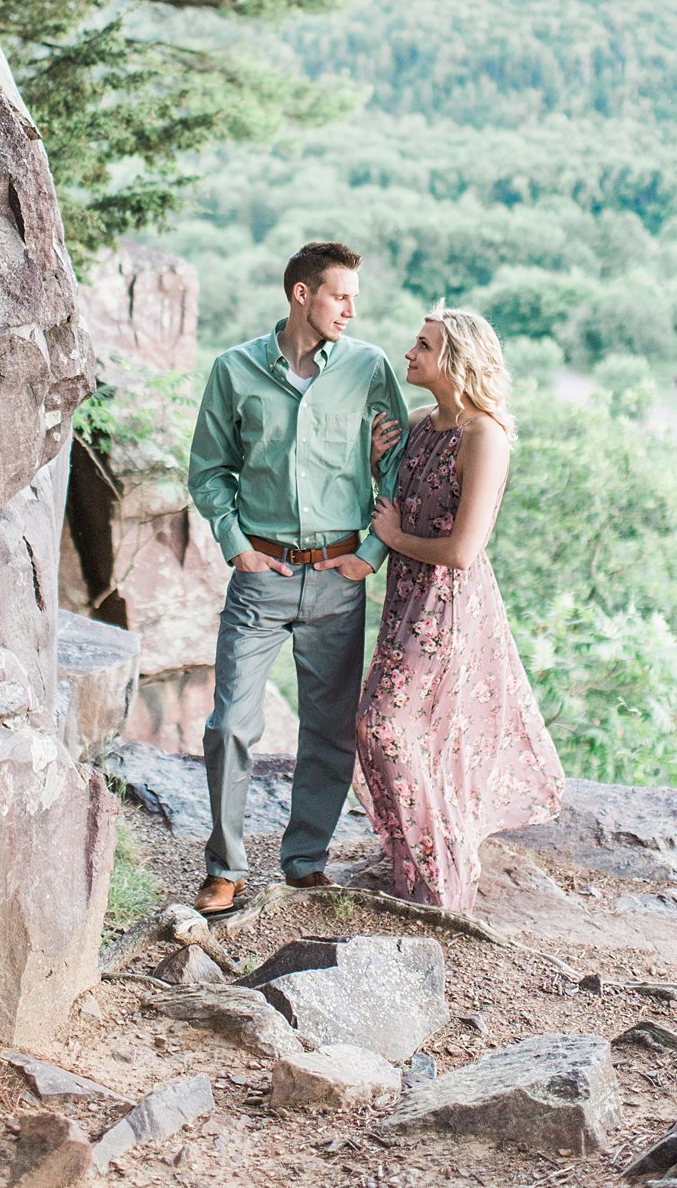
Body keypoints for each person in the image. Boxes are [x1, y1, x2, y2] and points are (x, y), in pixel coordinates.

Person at [187, 241, 409, 915]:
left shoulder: (368, 368)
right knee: (230, 725)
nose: (350, 309)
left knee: (330, 728)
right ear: (302, 294)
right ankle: (225, 866)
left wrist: (371, 552)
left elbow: (398, 463)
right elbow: (208, 470)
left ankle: (306, 858)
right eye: (339, 295)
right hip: (262, 575)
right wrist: (237, 548)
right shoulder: (234, 370)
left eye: (354, 299)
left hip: (340, 576)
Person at [355, 304, 564, 912]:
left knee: (383, 727)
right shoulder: (420, 423)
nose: (409, 353)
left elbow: (464, 551)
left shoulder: (484, 436)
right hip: (403, 600)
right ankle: (414, 862)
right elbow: (394, 503)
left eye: (423, 345)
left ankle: (438, 885)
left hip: (444, 607)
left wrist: (395, 542)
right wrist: (375, 464)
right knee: (407, 732)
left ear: (456, 360)